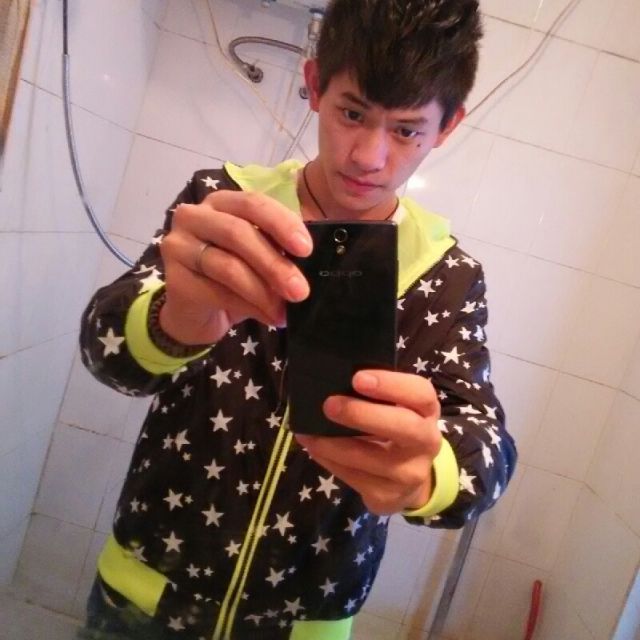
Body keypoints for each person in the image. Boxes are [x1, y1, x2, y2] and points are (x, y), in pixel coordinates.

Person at [78, 1, 517, 638]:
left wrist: (432, 472)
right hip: (141, 599)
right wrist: (172, 320)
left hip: (306, 627)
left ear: (446, 127)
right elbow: (104, 352)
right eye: (352, 113)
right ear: (314, 85)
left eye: (406, 130)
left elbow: (490, 446)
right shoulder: (222, 205)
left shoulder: (447, 276)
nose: (368, 156)